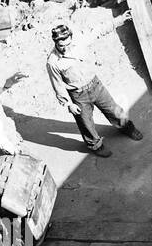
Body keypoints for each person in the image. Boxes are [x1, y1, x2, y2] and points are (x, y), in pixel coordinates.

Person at [46, 23, 143, 158]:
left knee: (114, 109)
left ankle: (127, 128)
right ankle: (95, 146)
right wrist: (69, 104)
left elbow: (97, 30)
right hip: (78, 95)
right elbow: (57, 85)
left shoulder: (79, 41)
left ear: (71, 38)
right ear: (56, 42)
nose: (66, 48)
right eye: (62, 46)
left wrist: (119, 20)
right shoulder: (53, 62)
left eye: (68, 44)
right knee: (86, 123)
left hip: (95, 85)